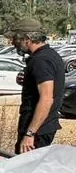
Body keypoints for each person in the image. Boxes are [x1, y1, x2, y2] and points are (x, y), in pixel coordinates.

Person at [7, 16, 65, 153]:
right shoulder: (49, 55)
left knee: (25, 172)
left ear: (27, 39)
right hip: (42, 128)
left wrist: (30, 134)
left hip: (37, 131)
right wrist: (27, 81)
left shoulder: (41, 60)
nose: (13, 42)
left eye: (15, 38)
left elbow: (46, 99)